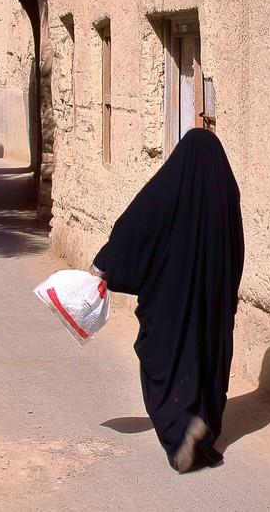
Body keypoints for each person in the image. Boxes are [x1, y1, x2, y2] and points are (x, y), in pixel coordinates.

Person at [90, 128, 244, 472]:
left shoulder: (169, 188)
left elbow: (135, 228)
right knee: (207, 356)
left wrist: (105, 264)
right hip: (212, 300)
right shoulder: (225, 191)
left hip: (171, 301)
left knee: (169, 356)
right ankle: (203, 423)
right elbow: (237, 250)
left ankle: (179, 431)